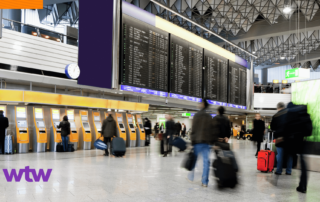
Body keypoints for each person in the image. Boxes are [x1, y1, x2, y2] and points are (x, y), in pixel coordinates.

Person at [188, 98, 216, 187]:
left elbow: (193, 129)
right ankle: (204, 182)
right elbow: (212, 131)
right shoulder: (209, 117)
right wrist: (212, 143)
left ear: (203, 104)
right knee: (206, 162)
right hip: (206, 143)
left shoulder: (196, 115)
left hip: (197, 142)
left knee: (194, 159)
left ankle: (191, 177)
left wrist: (192, 142)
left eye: (200, 103)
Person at [285, 102, 312, 193]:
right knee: (303, 162)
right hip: (303, 140)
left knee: (291, 157)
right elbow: (309, 130)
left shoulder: (291, 112)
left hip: (294, 140)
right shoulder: (303, 112)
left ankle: (301, 185)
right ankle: (303, 186)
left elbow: (287, 127)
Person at [270, 102, 293, 175]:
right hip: (289, 138)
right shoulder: (290, 113)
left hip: (279, 138)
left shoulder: (275, 116)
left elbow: (272, 127)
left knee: (280, 155)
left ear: (278, 108)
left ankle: (279, 171)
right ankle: (288, 171)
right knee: (289, 155)